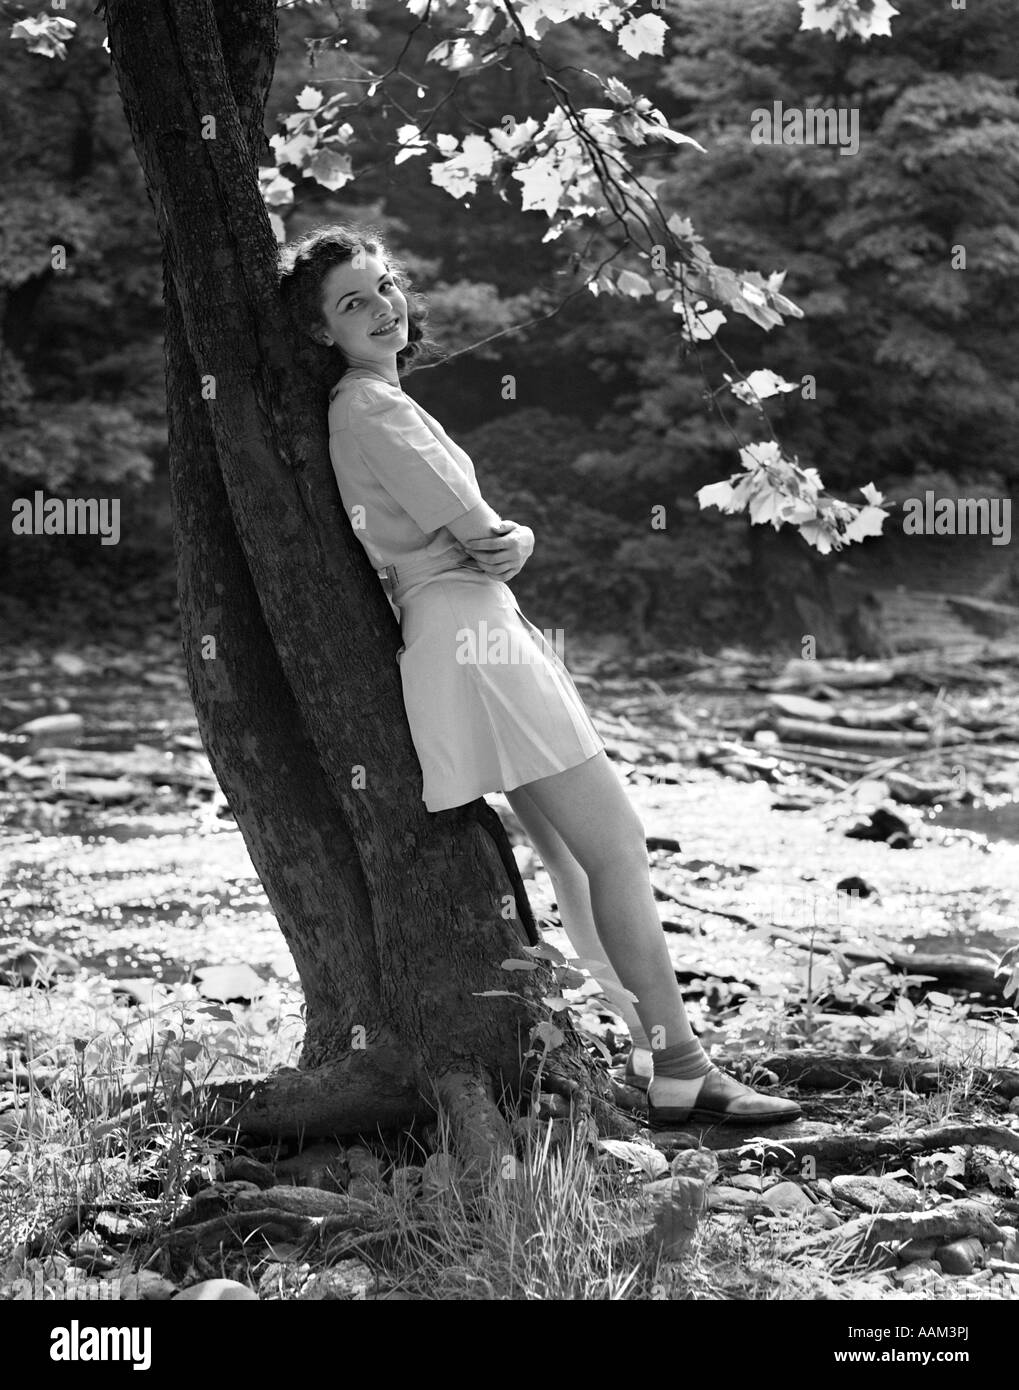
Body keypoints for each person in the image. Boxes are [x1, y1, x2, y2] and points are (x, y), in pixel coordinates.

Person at [278, 224, 801, 1128]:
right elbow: (485, 535)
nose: (380, 308)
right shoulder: (373, 408)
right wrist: (521, 538)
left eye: (386, 286)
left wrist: (500, 546)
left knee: (570, 858)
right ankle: (679, 1062)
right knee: (616, 848)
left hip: (460, 632)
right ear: (321, 330)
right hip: (471, 632)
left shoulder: (368, 404)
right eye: (350, 303)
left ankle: (658, 1058)